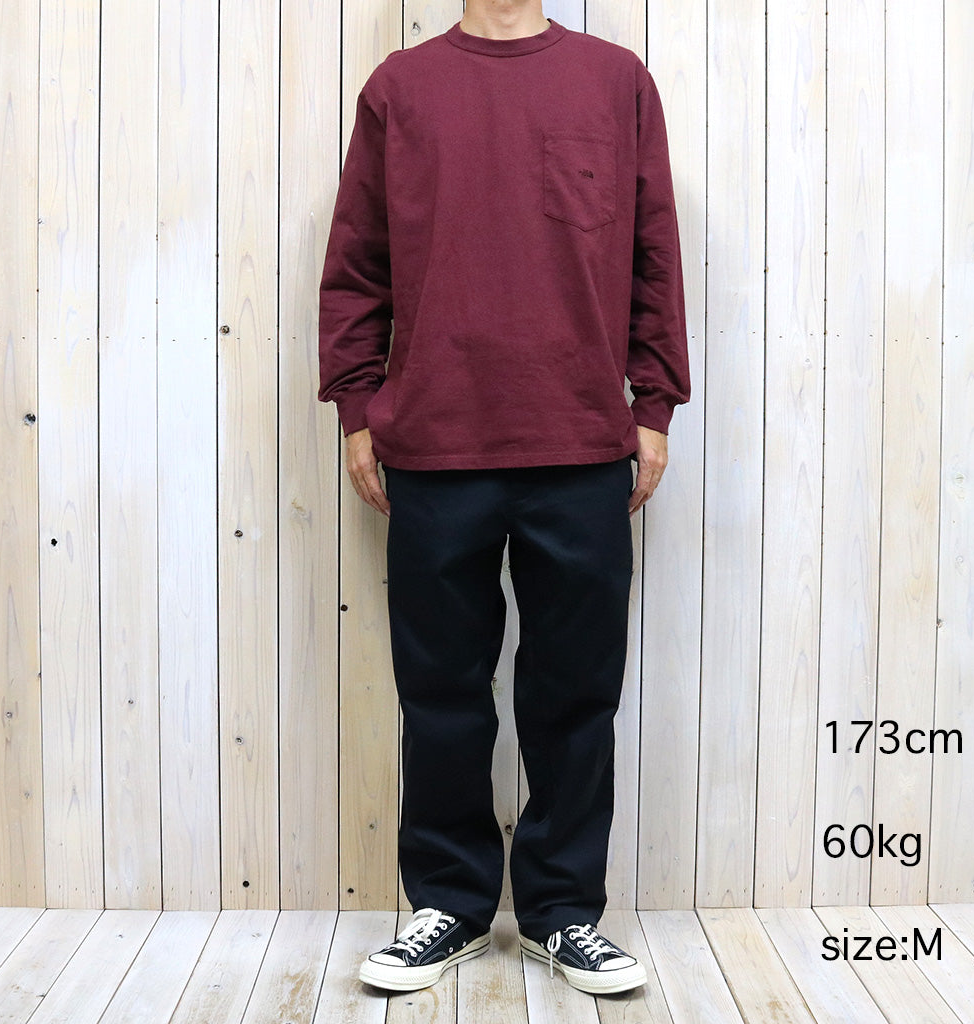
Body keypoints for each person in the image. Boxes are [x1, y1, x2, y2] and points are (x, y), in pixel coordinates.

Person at [318, 0, 689, 997]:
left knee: (576, 692)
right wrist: (356, 405)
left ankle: (563, 913)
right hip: (435, 440)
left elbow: (654, 253)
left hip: (580, 437)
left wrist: (653, 401)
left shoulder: (615, 82)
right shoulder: (400, 90)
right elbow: (356, 262)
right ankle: (449, 902)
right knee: (440, 693)